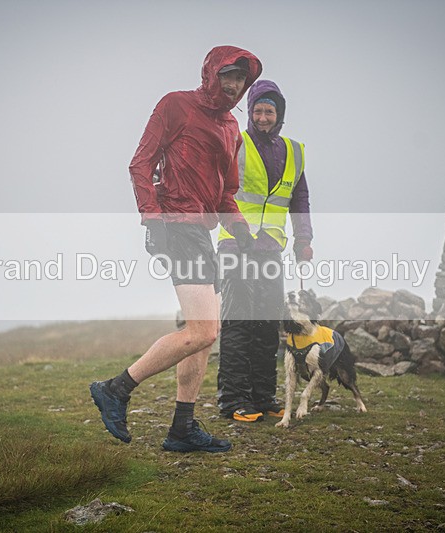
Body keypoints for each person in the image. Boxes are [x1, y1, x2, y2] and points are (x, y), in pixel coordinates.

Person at [89, 46, 262, 452]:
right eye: (229, 76)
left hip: (201, 232)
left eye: (241, 79)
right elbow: (140, 164)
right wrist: (151, 220)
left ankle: (182, 428)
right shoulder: (175, 105)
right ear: (211, 74)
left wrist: (243, 234)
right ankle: (115, 389)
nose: (235, 85)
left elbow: (226, 194)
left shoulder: (231, 129)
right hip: (176, 227)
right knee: (205, 330)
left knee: (200, 335)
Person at [216, 79, 314, 422]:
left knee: (266, 325)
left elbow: (299, 201)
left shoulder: (294, 151)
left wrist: (304, 240)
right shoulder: (235, 143)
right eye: (257, 110)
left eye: (269, 110)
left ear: (279, 113)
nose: (262, 116)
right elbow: (219, 191)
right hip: (235, 243)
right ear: (249, 112)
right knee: (238, 324)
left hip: (271, 249)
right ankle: (234, 401)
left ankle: (263, 397)